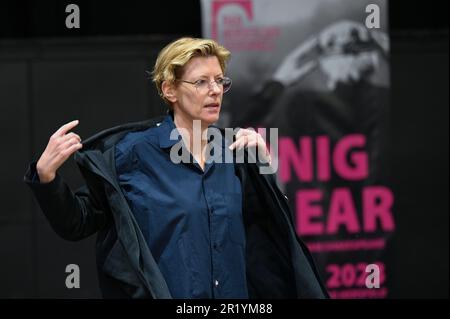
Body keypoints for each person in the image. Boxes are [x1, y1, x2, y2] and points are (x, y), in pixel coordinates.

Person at [24, 37, 328, 299]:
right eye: (201, 82)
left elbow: (273, 230)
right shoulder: (133, 154)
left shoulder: (234, 153)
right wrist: (47, 178)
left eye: (220, 80)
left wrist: (264, 167)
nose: (215, 90)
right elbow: (78, 222)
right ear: (170, 90)